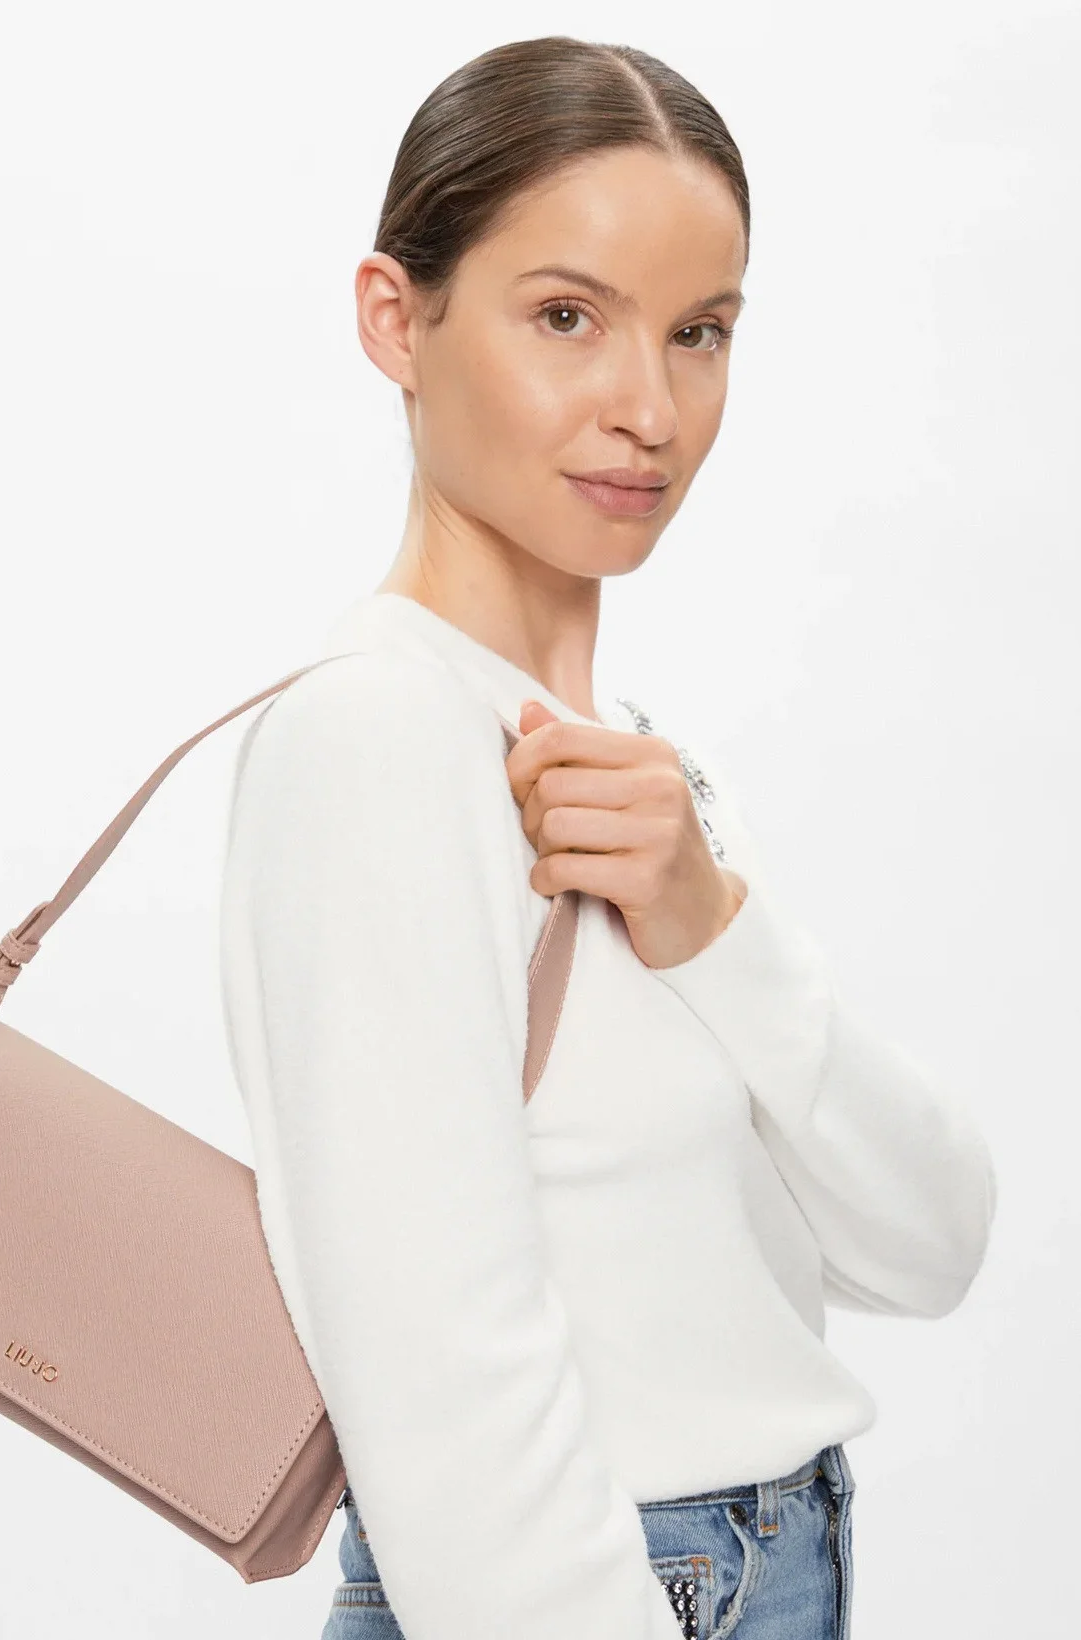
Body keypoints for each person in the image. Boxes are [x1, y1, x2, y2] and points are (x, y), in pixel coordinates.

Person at [217, 34, 996, 1640]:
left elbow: (928, 1244)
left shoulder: (641, 774)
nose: (647, 409)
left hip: (764, 1559)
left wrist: (709, 922)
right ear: (397, 319)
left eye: (697, 332)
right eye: (565, 317)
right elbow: (439, 1379)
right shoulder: (380, 735)